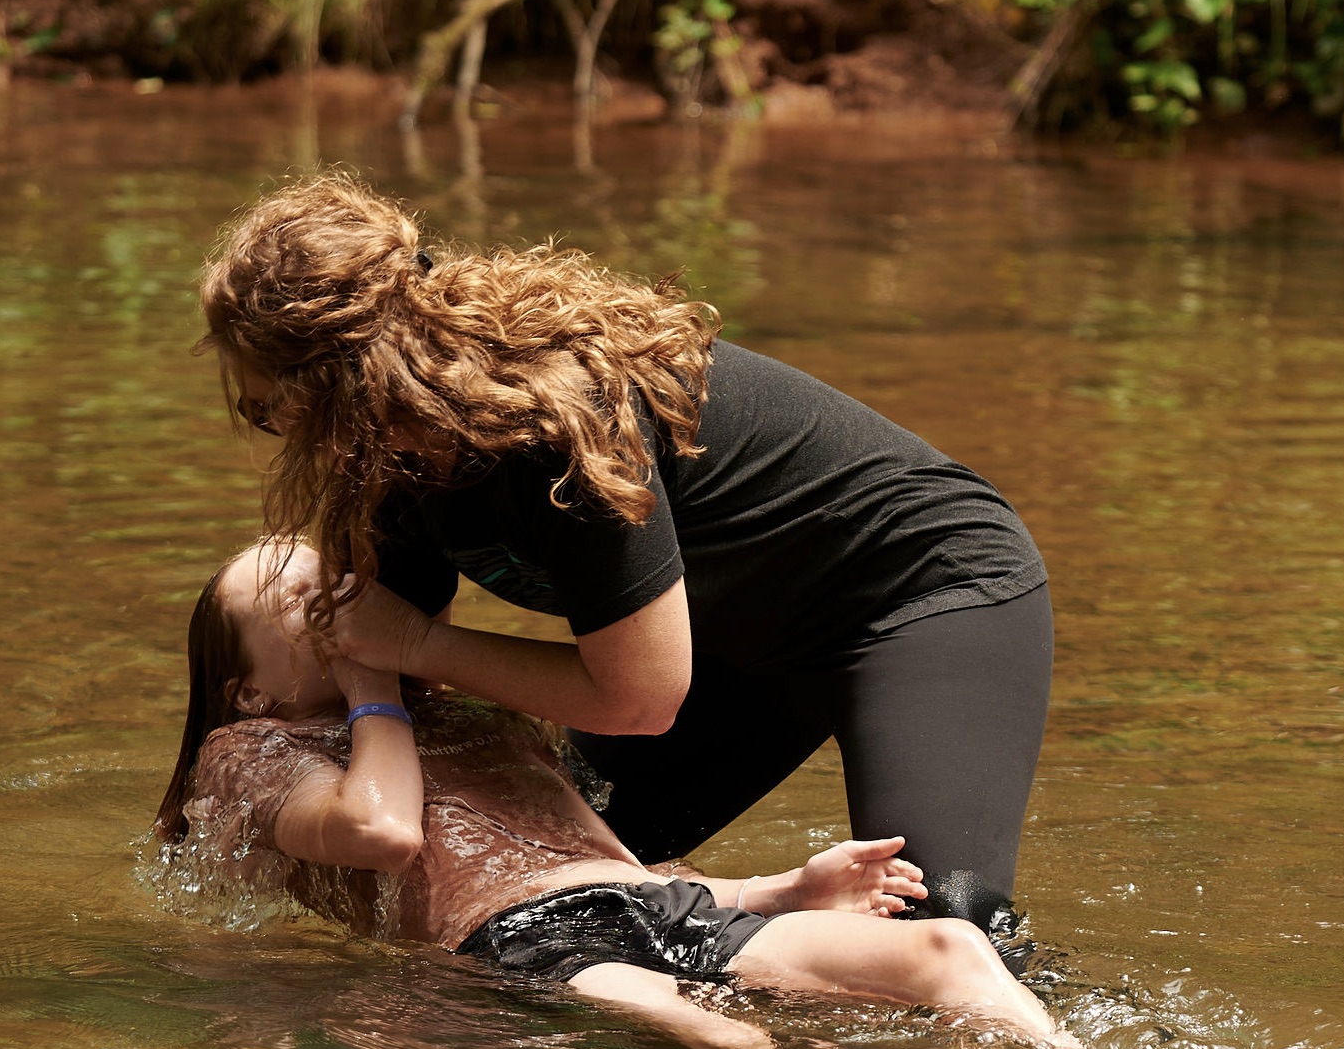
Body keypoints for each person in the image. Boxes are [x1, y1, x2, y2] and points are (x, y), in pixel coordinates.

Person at [195, 173, 1053, 956]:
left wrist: (419, 643)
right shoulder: (385, 468)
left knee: (946, 927)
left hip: (913, 592)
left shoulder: (554, 425)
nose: (266, 432)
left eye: (263, 408)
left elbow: (636, 701)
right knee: (546, 889)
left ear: (339, 389)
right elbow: (385, 695)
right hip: (721, 648)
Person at [154, 542, 1075, 1049]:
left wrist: (781, 888)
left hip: (632, 905)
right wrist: (372, 690)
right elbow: (381, 834)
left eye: (334, 581)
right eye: (292, 596)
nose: (329, 597)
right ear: (247, 690)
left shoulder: (476, 720)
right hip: (512, 943)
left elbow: (608, 865)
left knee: (948, 949)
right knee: (722, 1041)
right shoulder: (250, 754)